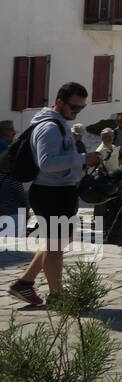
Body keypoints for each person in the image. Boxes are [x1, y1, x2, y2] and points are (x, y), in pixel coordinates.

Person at [6, 82, 103, 307]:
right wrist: (82, 159)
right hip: (50, 193)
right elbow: (47, 163)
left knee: (60, 240)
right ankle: (57, 295)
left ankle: (25, 283)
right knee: (55, 246)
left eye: (81, 108)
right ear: (59, 102)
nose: (76, 112)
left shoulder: (58, 124)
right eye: (73, 107)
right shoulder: (49, 127)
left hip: (60, 191)